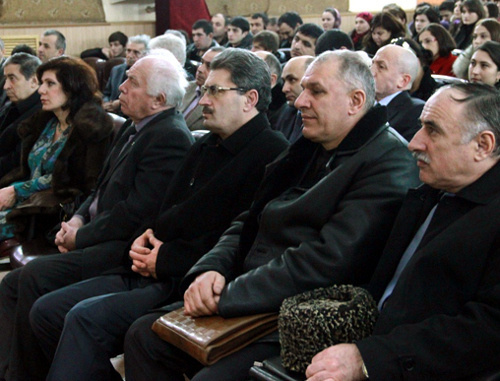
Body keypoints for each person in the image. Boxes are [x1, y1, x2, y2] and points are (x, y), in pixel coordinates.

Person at [123, 50, 420, 381]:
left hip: (299, 313)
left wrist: (228, 294)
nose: (299, 101)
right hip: (252, 288)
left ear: (356, 101)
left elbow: (327, 261)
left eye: (316, 91)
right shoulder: (312, 144)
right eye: (303, 88)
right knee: (144, 335)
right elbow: (250, 218)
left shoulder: (388, 162)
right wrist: (211, 267)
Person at [29, 48, 289, 381]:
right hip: (152, 266)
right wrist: (144, 240)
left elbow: (241, 239)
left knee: (85, 318)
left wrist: (164, 258)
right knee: (48, 311)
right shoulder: (206, 145)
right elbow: (164, 211)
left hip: (190, 281)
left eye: (214, 91)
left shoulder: (272, 153)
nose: (203, 99)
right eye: (205, 88)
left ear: (250, 98)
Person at [0, 52, 194, 381]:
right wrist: (75, 220)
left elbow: (136, 213)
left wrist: (81, 236)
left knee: (34, 279)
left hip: (118, 248)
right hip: (94, 233)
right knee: (11, 285)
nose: (120, 87)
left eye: (132, 82)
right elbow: (96, 189)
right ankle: (12, 372)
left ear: (158, 99)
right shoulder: (136, 128)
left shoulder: (170, 137)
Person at [306, 82, 500, 381]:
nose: (414, 143)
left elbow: (488, 331)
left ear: (483, 146)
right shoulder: (430, 192)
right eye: (421, 126)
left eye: (433, 130)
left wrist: (369, 359)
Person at [0, 56, 114, 243]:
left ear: (72, 88)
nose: (41, 90)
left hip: (50, 212)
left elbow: (79, 182)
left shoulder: (92, 127)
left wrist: (16, 190)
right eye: (42, 83)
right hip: (24, 203)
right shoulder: (46, 121)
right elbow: (27, 170)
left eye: (50, 83)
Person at [0, 53, 42, 180]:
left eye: (12, 78)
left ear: (34, 81)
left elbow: (14, 162)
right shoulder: (12, 105)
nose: (5, 86)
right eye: (5, 78)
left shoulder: (41, 113)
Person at [371, 45, 426, 140]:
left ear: (403, 81)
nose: (371, 71)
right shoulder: (362, 103)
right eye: (372, 64)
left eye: (381, 67)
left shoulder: (415, 113)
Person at [102, 34, 150, 114]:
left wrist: (120, 103)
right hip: (111, 113)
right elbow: (106, 93)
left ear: (145, 55)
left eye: (136, 52)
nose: (130, 56)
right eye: (128, 51)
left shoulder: (147, 74)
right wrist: (107, 103)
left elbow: (143, 100)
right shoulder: (116, 70)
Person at [180, 46, 224, 131]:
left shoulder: (221, 101)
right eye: (201, 63)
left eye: (209, 66)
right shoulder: (185, 87)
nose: (200, 69)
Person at [272, 55, 314, 143]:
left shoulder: (320, 118)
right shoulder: (285, 112)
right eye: (284, 81)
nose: (284, 89)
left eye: (292, 80)